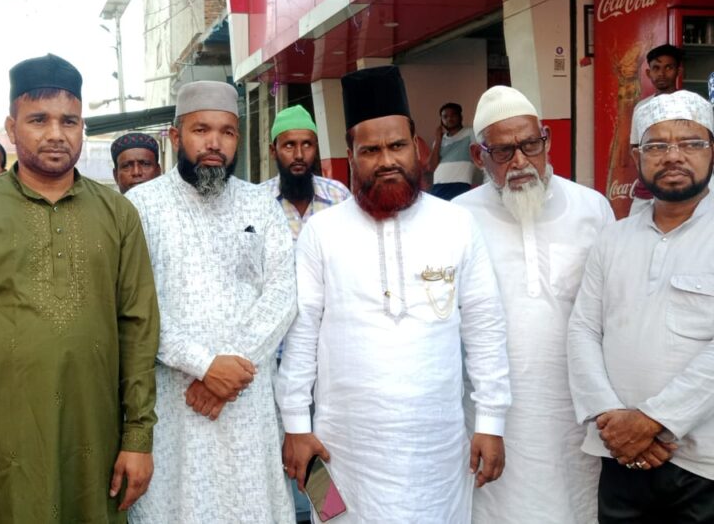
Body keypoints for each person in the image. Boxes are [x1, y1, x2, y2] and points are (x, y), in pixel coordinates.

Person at [0, 54, 160, 524]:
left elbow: (138, 329)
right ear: (11, 128)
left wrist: (138, 438)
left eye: (69, 121)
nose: (56, 133)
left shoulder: (118, 214)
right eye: (38, 120)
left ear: (82, 127)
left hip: (94, 440)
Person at [276, 66, 511, 523]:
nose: (386, 160)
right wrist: (296, 426)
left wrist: (491, 422)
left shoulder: (457, 224)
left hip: (439, 450)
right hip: (341, 449)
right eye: (371, 150)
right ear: (350, 156)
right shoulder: (322, 232)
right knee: (335, 517)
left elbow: (485, 326)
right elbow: (301, 335)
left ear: (417, 147)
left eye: (397, 146)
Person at [126, 80, 297, 523]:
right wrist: (203, 366)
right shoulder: (141, 207)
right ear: (175, 136)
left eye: (227, 132)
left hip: (246, 397)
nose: (215, 144)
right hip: (176, 401)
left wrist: (229, 371)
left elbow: (283, 293)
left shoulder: (260, 204)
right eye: (201, 130)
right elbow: (136, 307)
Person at [453, 85, 614, 523]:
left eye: (530, 145)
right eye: (503, 152)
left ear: (547, 140)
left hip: (574, 413)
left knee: (577, 507)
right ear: (478, 155)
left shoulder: (592, 208)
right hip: (490, 418)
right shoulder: (457, 218)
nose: (521, 161)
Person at [568, 90, 714, 523]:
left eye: (691, 143)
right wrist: (611, 418)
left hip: (703, 464)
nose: (673, 156)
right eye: (656, 146)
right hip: (619, 456)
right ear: (637, 157)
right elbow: (583, 330)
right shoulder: (613, 238)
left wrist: (653, 421)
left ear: (712, 150)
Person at [261, 104, 350, 241]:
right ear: (273, 151)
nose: (299, 155)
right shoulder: (258, 201)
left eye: (307, 144)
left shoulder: (339, 196)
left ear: (316, 148)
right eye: (289, 145)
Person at [629, 44, 685, 215]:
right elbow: (635, 146)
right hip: (649, 185)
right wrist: (648, 175)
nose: (662, 73)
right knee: (637, 224)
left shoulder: (690, 105)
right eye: (656, 68)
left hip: (682, 181)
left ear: (678, 71)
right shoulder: (642, 108)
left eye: (669, 67)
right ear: (648, 73)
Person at [430, 102, 479, 199]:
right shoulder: (438, 141)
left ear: (461, 117)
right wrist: (438, 139)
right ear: (441, 120)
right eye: (445, 117)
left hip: (459, 185)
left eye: (453, 115)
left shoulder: (471, 133)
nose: (449, 119)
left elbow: (480, 154)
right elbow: (432, 167)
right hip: (437, 187)